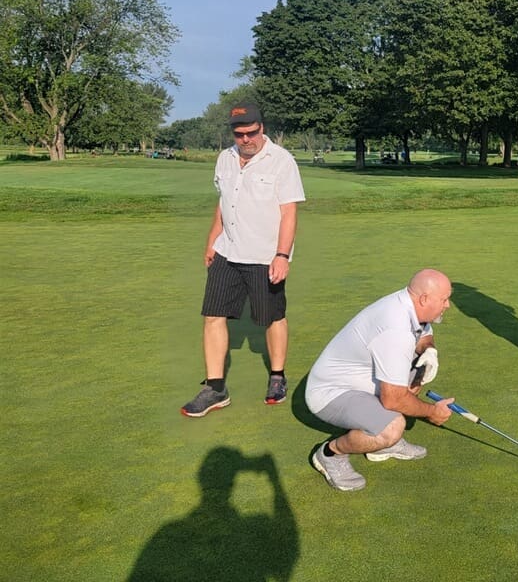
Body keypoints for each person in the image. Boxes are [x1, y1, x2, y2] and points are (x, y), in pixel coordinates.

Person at [181, 102, 306, 417]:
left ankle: (277, 376)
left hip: (265, 256)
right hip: (227, 251)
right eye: (240, 134)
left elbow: (289, 211)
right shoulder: (224, 159)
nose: (246, 139)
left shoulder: (281, 161)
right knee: (213, 316)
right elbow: (223, 204)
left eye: (252, 132)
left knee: (272, 317)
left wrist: (281, 255)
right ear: (233, 133)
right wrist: (212, 241)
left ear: (262, 128)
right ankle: (215, 387)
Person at [304, 269, 455, 492]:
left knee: (419, 365)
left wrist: (429, 350)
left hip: (361, 379)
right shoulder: (396, 329)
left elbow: (424, 333)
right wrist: (432, 412)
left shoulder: (409, 305)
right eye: (444, 299)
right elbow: (393, 399)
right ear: (424, 298)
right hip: (330, 393)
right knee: (392, 428)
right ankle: (330, 453)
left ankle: (381, 447)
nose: (448, 305)